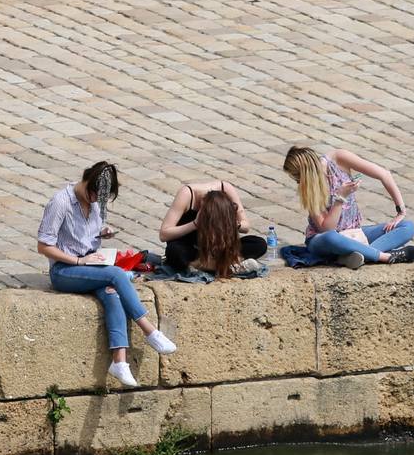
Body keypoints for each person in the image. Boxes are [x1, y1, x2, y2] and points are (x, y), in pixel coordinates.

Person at [36, 161, 176, 388]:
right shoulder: (61, 202)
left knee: (112, 293)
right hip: (66, 270)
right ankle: (150, 331)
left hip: (91, 266)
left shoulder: (97, 203)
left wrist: (103, 231)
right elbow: (44, 246)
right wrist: (80, 260)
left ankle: (119, 362)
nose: (95, 201)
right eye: (93, 195)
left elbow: (87, 234)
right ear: (86, 181)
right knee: (116, 275)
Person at [282, 146, 414, 268]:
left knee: (407, 227)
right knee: (331, 237)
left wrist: (400, 211)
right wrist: (340, 199)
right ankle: (385, 257)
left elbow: (384, 174)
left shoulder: (338, 158)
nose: (298, 182)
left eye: (296, 178)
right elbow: (326, 229)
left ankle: (355, 256)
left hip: (354, 233)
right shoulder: (308, 188)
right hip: (324, 241)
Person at [158, 180, 267, 277]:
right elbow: (164, 234)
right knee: (174, 251)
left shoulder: (226, 189)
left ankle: (210, 266)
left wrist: (233, 223)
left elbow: (246, 226)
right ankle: (227, 266)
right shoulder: (186, 194)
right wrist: (195, 224)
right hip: (194, 250)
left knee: (259, 244)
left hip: (219, 248)